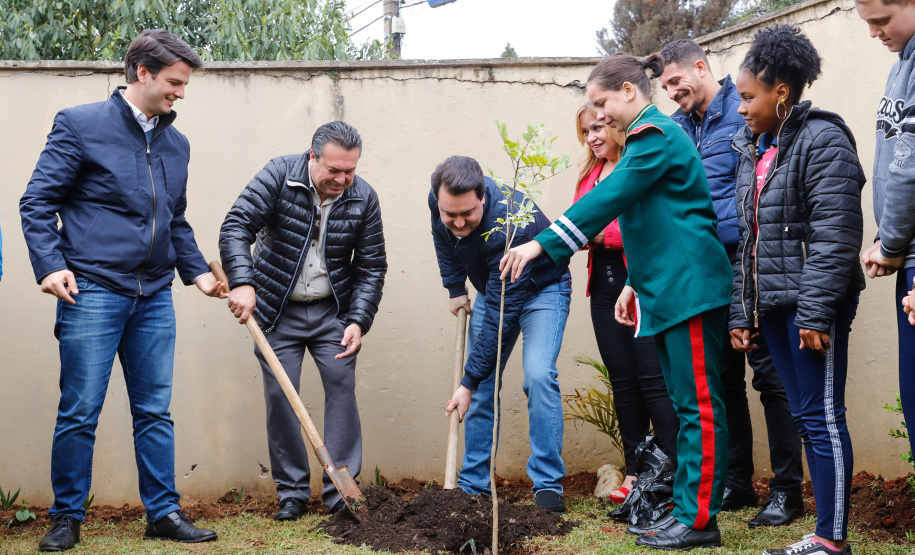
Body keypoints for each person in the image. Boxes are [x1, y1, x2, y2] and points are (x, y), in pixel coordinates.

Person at [501, 53, 732, 550]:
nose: (598, 115)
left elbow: (613, 198)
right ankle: (688, 511)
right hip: (666, 287)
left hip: (687, 289)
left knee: (698, 407)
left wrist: (542, 242)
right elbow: (656, 221)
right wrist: (634, 284)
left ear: (629, 90)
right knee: (685, 403)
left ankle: (699, 519)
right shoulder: (648, 140)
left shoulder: (655, 136)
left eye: (602, 102)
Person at [19, 30, 223, 552]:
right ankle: (67, 516)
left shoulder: (177, 144)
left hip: (153, 294)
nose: (182, 93)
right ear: (141, 73)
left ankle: (163, 512)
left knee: (154, 409)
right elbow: (38, 202)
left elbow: (174, 220)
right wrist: (49, 266)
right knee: (80, 409)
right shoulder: (81, 125)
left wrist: (197, 272)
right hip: (91, 289)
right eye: (175, 83)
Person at [730, 25, 866, 555]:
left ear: (780, 91)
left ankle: (832, 540)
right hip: (777, 306)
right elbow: (751, 241)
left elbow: (836, 236)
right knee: (807, 415)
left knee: (823, 416)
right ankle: (824, 533)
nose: (740, 109)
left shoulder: (824, 139)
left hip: (813, 305)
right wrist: (744, 312)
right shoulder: (757, 148)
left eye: (748, 97)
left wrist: (815, 313)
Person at [658, 39, 804, 527]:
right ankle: (735, 481)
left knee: (770, 378)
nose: (673, 93)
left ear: (701, 67)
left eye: (678, 81)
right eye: (665, 88)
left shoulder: (743, 114)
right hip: (703, 274)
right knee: (721, 380)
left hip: (751, 263)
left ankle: (787, 490)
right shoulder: (677, 129)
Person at [219, 121, 387, 520]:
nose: (343, 179)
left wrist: (358, 320)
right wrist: (243, 282)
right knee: (281, 397)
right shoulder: (279, 175)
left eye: (350, 170)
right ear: (312, 158)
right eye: (334, 170)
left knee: (342, 389)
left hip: (334, 312)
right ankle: (292, 492)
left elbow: (371, 267)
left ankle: (340, 496)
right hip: (277, 310)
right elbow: (236, 226)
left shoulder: (363, 197)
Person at [432, 155, 572, 514]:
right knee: (480, 386)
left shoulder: (509, 225)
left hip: (543, 290)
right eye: (451, 214)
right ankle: (474, 484)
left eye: (468, 214)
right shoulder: (442, 203)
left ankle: (548, 486)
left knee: (539, 376)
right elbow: (444, 241)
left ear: (483, 196)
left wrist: (466, 380)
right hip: (497, 291)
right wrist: (454, 288)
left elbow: (499, 316)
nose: (458, 222)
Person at [572, 103, 679, 502]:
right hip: (602, 287)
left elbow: (635, 228)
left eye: (599, 127)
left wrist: (597, 234)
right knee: (624, 383)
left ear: (617, 124)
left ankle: (667, 471)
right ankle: (634, 473)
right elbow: (579, 221)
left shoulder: (639, 166)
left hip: (641, 284)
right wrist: (592, 233)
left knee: (654, 382)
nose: (594, 136)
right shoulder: (589, 174)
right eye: (585, 131)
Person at [855, 0, 915, 469]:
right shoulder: (903, 67)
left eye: (881, 19)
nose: (875, 32)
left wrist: (891, 243)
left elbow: (908, 167)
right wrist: (886, 241)